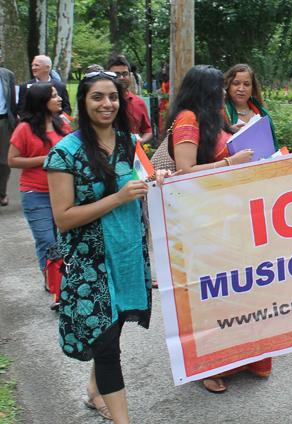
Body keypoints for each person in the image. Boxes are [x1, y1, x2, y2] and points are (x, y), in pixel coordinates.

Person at [44, 70, 173, 423]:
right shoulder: (64, 152)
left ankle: (93, 391)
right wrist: (117, 198)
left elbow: (143, 179)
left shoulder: (130, 141)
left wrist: (157, 179)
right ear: (84, 103)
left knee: (110, 332)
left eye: (113, 97)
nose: (107, 104)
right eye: (97, 97)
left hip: (127, 253)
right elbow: (64, 218)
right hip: (88, 261)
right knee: (107, 348)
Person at [166, 64, 271, 392]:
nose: (225, 93)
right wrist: (230, 162)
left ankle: (245, 355)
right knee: (211, 293)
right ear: (205, 90)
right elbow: (184, 171)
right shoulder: (187, 118)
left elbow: (219, 146)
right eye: (219, 88)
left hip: (231, 214)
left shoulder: (212, 118)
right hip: (204, 220)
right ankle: (209, 365)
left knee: (240, 290)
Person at [8, 83, 71, 309]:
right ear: (41, 100)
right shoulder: (24, 128)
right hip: (35, 193)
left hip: (63, 193)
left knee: (65, 240)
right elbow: (12, 160)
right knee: (47, 241)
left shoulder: (63, 123)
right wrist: (44, 159)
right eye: (53, 96)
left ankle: (62, 283)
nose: (59, 98)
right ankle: (55, 287)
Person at [223, 63, 279, 151]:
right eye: (236, 83)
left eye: (246, 84)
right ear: (228, 85)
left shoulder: (261, 111)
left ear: (253, 87)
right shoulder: (220, 111)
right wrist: (228, 130)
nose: (241, 89)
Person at [106, 56, 153, 145]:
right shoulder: (103, 104)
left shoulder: (139, 103)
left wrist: (141, 141)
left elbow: (148, 130)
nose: (121, 78)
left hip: (133, 153)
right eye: (116, 74)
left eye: (125, 74)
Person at [0, 48, 18, 207]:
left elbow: (12, 101)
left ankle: (1, 192)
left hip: (4, 121)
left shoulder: (7, 75)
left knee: (5, 161)